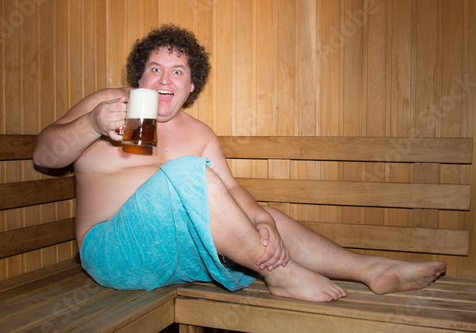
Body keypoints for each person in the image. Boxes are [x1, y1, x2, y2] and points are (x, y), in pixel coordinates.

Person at [33, 24, 446, 302]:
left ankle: (373, 269)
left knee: (262, 215)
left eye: (177, 72)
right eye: (155, 68)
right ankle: (280, 276)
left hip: (180, 255)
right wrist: (91, 123)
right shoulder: (107, 104)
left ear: (190, 87)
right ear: (139, 77)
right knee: (188, 173)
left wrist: (261, 221)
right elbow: (45, 155)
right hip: (114, 254)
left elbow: (229, 191)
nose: (164, 79)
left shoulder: (199, 133)